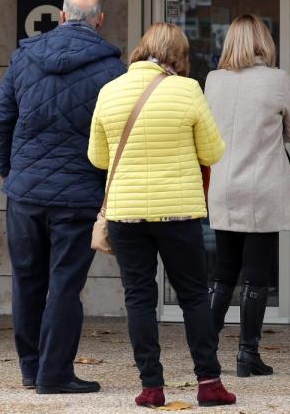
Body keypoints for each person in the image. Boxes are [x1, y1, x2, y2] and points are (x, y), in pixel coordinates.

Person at [88, 23, 236, 408]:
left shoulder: (110, 91)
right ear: (178, 56)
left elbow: (98, 158)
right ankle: (209, 383)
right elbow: (212, 152)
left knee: (138, 298)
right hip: (178, 213)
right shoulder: (187, 90)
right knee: (193, 297)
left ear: (142, 49)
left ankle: (151, 387)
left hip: (126, 213)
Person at [0, 0, 125, 395]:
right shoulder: (111, 69)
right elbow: (117, 135)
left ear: (62, 17)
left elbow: (0, 121)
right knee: (65, 284)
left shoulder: (24, 58)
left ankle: (31, 370)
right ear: (99, 20)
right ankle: (55, 373)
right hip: (79, 195)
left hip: (25, 193)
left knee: (26, 281)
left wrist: (10, 174)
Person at [204, 14, 290, 377]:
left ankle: (207, 350)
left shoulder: (213, 80)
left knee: (223, 274)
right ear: (264, 41)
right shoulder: (275, 79)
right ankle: (247, 354)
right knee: (256, 277)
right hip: (262, 186)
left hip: (223, 186)